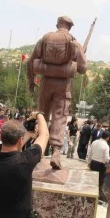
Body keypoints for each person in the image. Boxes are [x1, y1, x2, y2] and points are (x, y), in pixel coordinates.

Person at [27, 16, 87, 170]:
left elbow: (30, 61)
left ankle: (38, 151)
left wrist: (31, 81)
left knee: (42, 116)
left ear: (57, 25)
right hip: (63, 86)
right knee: (59, 118)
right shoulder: (74, 42)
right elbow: (81, 69)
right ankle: (56, 153)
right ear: (70, 27)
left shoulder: (45, 38)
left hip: (45, 83)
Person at [0, 113, 49, 218]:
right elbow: (44, 135)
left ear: (1, 137)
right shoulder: (24, 161)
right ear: (20, 140)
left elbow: (9, 149)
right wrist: (39, 114)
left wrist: (26, 135)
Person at [87, 130, 110, 201]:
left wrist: (89, 162)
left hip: (93, 163)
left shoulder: (94, 142)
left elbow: (90, 153)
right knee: (99, 183)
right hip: (100, 165)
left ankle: (89, 196)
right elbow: (106, 158)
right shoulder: (106, 146)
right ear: (108, 138)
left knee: (92, 181)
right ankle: (94, 198)